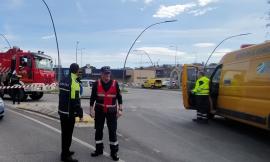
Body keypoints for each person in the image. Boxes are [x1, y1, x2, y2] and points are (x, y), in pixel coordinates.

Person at [90, 66, 123, 161]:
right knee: (98, 130)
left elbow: (119, 97)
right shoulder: (96, 84)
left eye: (108, 73)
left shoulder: (115, 83)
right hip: (99, 111)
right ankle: (99, 150)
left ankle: (114, 152)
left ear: (110, 74)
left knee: (112, 131)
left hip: (112, 112)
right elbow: (92, 98)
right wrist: (91, 109)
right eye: (105, 73)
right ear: (101, 74)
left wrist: (120, 109)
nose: (107, 75)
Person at [58, 63, 83, 162]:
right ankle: (65, 156)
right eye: (79, 70)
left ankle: (65, 151)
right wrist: (80, 114)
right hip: (69, 113)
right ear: (76, 70)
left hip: (62, 111)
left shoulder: (63, 79)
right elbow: (75, 101)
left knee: (64, 134)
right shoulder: (74, 82)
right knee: (68, 135)